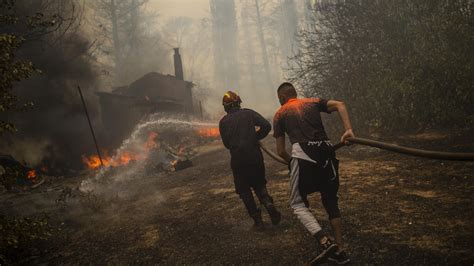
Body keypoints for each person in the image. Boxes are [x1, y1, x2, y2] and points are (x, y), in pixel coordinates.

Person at [273, 82, 354, 264]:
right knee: (331, 199)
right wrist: (348, 130)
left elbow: (280, 151)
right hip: (326, 151)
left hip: (302, 155)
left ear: (282, 98)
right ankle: (340, 249)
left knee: (297, 203)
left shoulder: (279, 114)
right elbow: (340, 104)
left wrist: (293, 163)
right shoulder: (312, 102)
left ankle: (324, 241)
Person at [219, 91, 281, 230]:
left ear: (226, 107)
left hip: (238, 161)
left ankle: (258, 221)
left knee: (244, 190)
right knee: (259, 184)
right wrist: (255, 137)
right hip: (255, 158)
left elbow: (227, 144)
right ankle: (268, 204)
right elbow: (266, 126)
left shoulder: (223, 122)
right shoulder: (249, 113)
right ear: (239, 102)